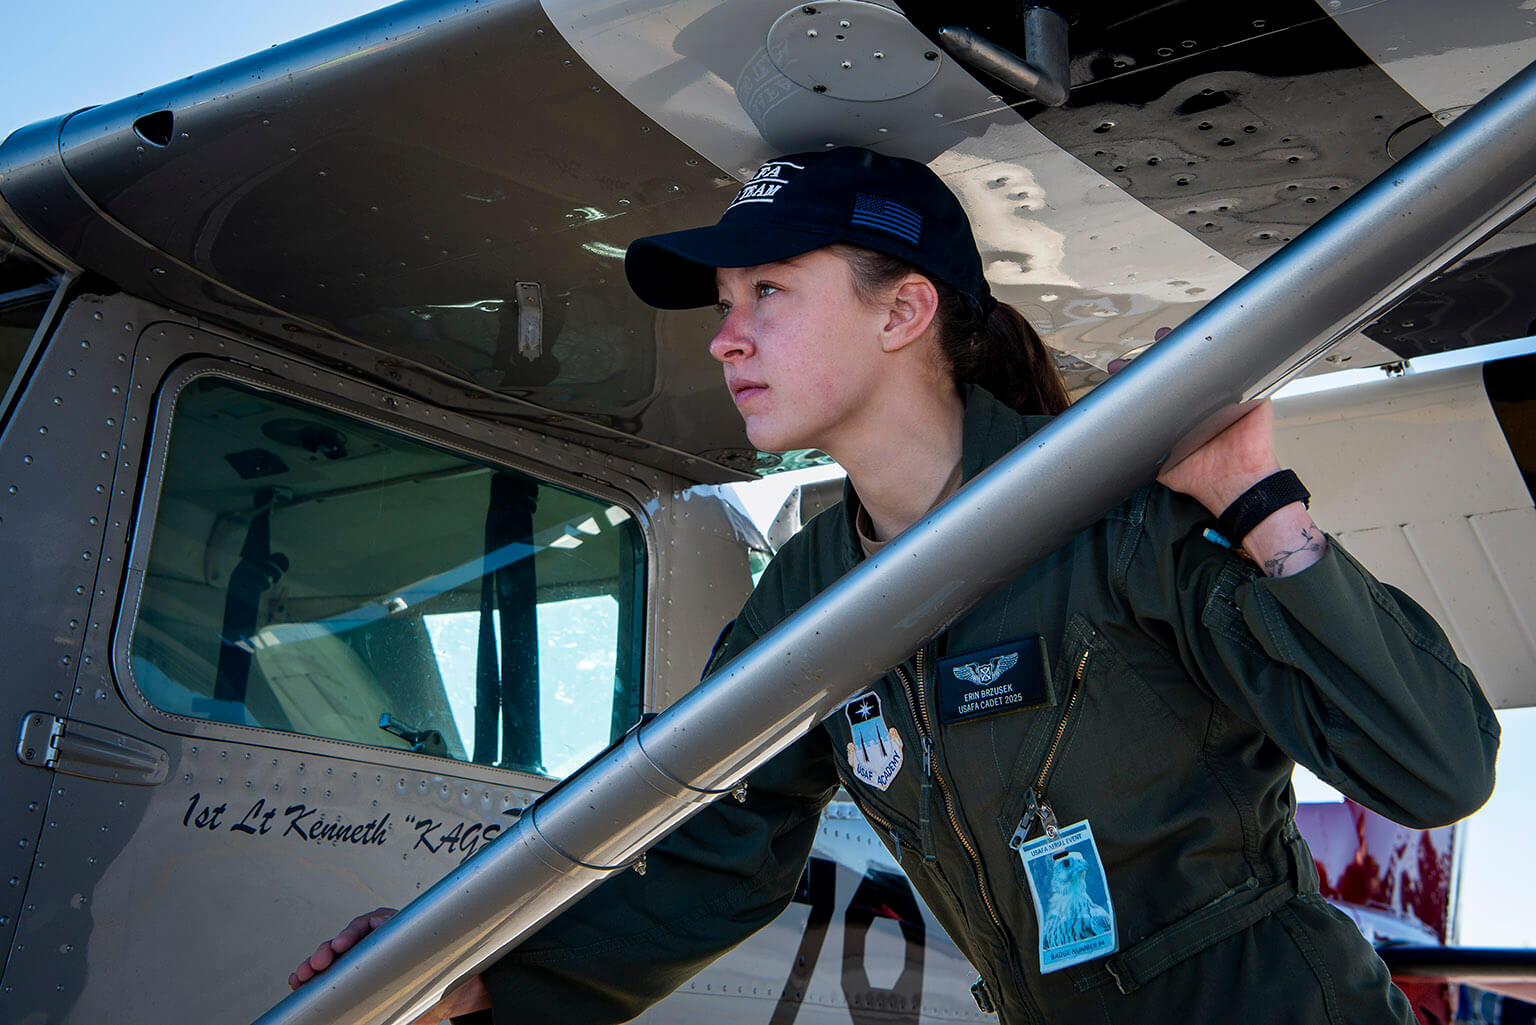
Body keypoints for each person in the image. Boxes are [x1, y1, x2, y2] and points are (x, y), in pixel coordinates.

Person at [290, 147, 1500, 1024]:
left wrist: (1256, 503)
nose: (725, 336)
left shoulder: (1110, 510)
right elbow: (719, 841)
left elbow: (1436, 769)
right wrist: (489, 979)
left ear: (904, 311)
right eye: (724, 304)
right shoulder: (815, 587)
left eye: (769, 292)